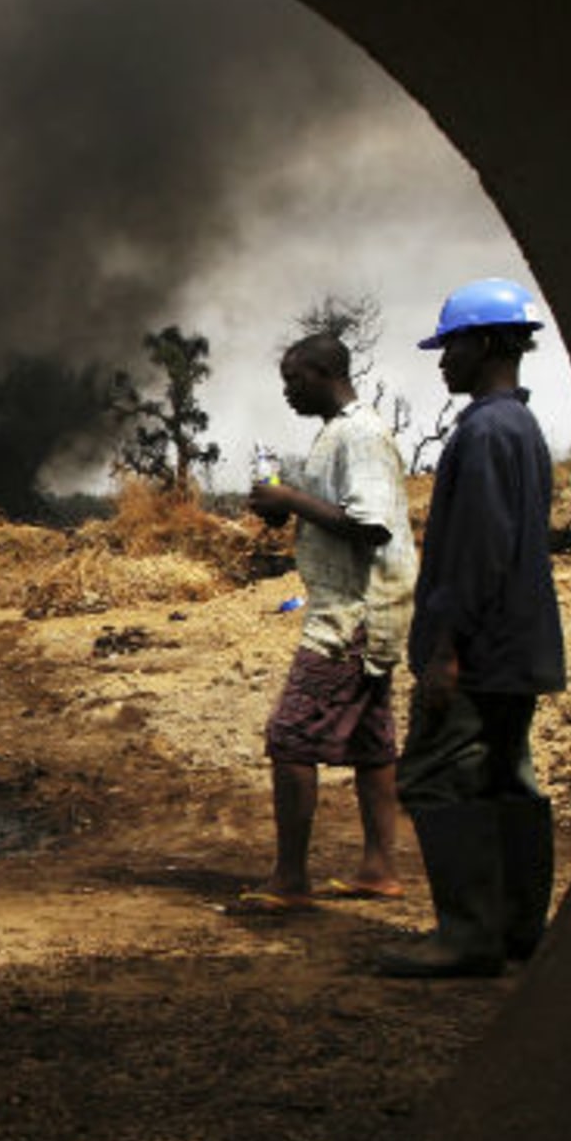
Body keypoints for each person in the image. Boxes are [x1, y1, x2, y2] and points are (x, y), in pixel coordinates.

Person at [377, 278, 567, 978]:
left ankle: (467, 934)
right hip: (520, 647)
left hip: (480, 652)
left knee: (436, 777)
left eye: (450, 345)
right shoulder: (522, 427)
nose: (441, 360)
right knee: (508, 778)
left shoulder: (484, 431)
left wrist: (445, 650)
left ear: (485, 343)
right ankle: (521, 930)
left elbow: (478, 551)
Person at [237, 333, 418, 912]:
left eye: (294, 379)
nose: (287, 392)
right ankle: (379, 868)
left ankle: (290, 879)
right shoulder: (340, 432)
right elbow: (341, 518)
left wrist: (287, 498)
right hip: (372, 610)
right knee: (370, 743)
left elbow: (371, 525)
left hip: (350, 616)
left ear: (322, 372)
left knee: (291, 738)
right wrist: (286, 510)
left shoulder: (359, 435)